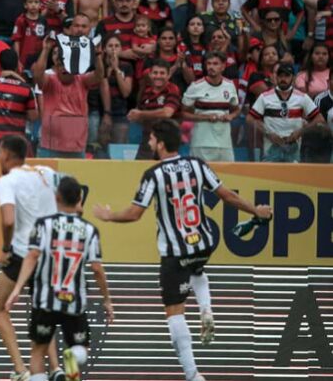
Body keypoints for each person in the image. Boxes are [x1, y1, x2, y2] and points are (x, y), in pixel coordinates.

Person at [93, 119, 273, 381]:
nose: (150, 143)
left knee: (174, 313)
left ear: (162, 143)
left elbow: (134, 214)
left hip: (175, 252)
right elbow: (227, 196)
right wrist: (256, 210)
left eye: (153, 139)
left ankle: (192, 374)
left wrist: (109, 217)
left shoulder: (154, 174)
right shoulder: (197, 165)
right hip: (203, 242)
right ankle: (206, 309)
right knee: (197, 269)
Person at [7, 175, 113, 381]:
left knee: (38, 349)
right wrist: (107, 299)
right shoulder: (90, 230)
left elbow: (32, 255)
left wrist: (17, 288)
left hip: (45, 300)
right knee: (81, 349)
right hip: (74, 302)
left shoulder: (43, 225)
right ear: (79, 200)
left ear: (56, 197)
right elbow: (97, 269)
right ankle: (73, 355)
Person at [0, 135, 62, 381]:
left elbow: (9, 219)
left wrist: (6, 247)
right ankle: (55, 368)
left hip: (23, 252)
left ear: (8, 155)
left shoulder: (6, 181)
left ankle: (21, 370)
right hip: (51, 252)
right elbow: (75, 195)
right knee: (43, 309)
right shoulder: (46, 171)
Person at [32, 15, 106, 158]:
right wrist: (46, 49)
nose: (64, 68)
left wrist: (97, 55)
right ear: (56, 66)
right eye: (61, 65)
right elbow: (37, 75)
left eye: (67, 65)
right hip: (50, 146)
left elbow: (99, 75)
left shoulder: (82, 80)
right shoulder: (50, 81)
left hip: (76, 147)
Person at [248, 64, 324, 162]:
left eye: (287, 76)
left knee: (293, 176)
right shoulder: (265, 97)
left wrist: (300, 132)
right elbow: (250, 118)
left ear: (293, 78)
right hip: (271, 146)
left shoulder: (302, 97)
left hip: (293, 145)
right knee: (270, 176)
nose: (283, 79)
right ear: (276, 77)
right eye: (280, 76)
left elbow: (319, 118)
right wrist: (268, 133)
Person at [181, 51, 240, 162]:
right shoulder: (196, 87)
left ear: (223, 66)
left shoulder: (230, 85)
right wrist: (205, 117)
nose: (211, 67)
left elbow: (236, 110)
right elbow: (182, 113)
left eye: (215, 64)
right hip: (202, 143)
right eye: (209, 63)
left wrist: (231, 116)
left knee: (228, 176)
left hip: (225, 143)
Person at [0, 50, 37, 156]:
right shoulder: (25, 89)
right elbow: (33, 117)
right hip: (15, 145)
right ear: (17, 66)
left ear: (0, 65)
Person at [129, 60, 181, 159]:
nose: (158, 76)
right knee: (139, 171)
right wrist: (135, 116)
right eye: (155, 73)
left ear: (168, 75)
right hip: (147, 140)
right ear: (150, 74)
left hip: (165, 142)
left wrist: (141, 114)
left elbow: (167, 113)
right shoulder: (146, 92)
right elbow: (140, 113)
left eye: (162, 73)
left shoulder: (172, 89)